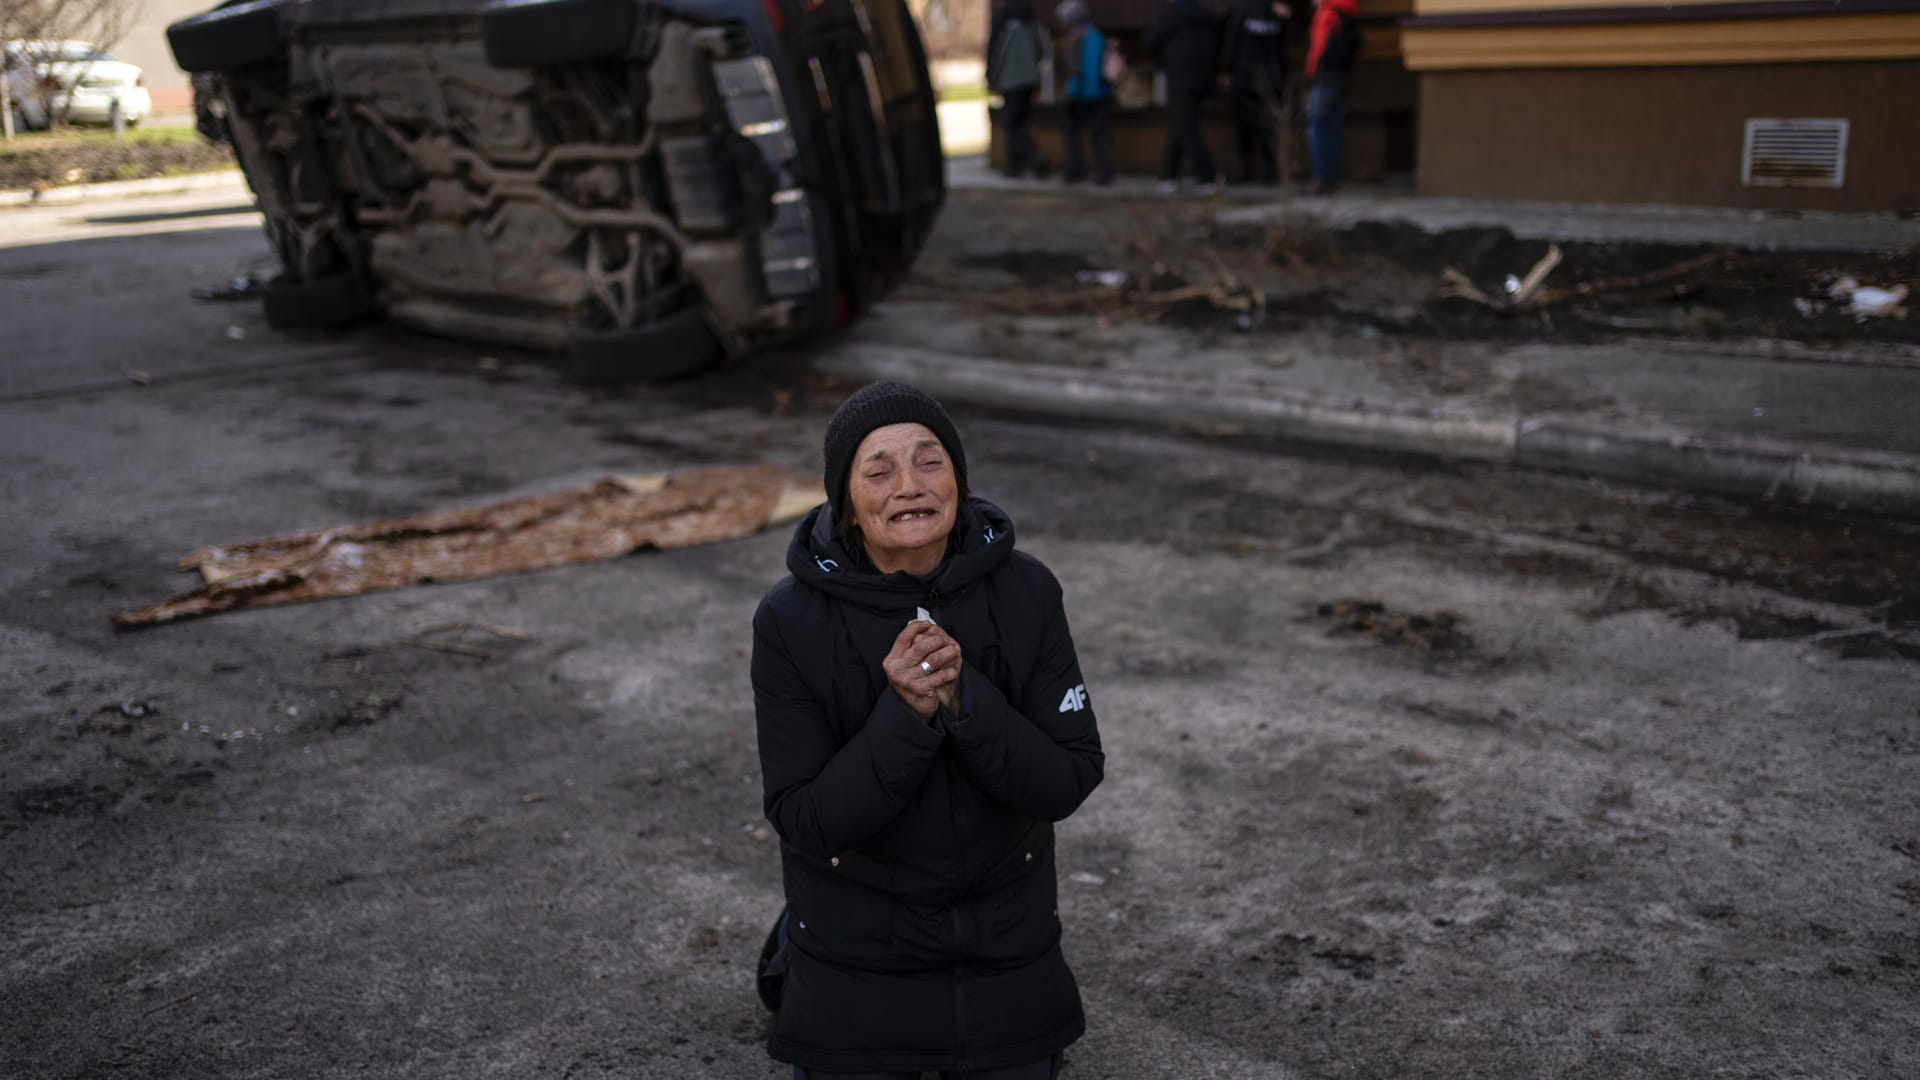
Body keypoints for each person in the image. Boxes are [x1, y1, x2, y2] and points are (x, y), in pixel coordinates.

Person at [752, 381, 1105, 1079]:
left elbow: (1067, 778)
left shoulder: (1028, 591)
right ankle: (793, 954)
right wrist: (907, 713)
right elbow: (805, 819)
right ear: (845, 502)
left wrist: (964, 697)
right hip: (857, 961)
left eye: (930, 461)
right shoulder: (790, 621)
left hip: (1006, 949)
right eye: (878, 470)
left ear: (961, 482)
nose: (909, 486)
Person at [1147, 0, 1223, 196]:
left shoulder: (1170, 13)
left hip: (1179, 76)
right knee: (1181, 123)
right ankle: (1168, 175)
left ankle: (1207, 176)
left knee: (1186, 126)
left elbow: (1150, 41)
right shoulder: (1207, 14)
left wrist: (1162, 61)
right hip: (1204, 77)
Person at [1219, 0, 1295, 186]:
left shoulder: (1279, 10)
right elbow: (1231, 39)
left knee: (1269, 128)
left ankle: (1270, 170)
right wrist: (1226, 69)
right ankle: (1246, 168)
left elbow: (1294, 39)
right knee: (1244, 127)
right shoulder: (1241, 9)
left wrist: (1288, 19)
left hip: (1272, 78)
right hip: (1245, 78)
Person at [987, 0, 1051, 179]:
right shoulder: (1031, 20)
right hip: (1029, 79)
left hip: (1010, 79)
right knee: (1020, 123)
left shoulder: (1002, 20)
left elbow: (995, 49)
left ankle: (1034, 156)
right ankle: (1013, 165)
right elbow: (1040, 51)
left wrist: (991, 75)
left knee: (1011, 125)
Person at [1055, 0, 1115, 186]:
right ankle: (1102, 172)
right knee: (1099, 136)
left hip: (1081, 93)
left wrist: (1071, 92)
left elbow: (1075, 69)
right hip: (1101, 93)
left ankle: (1074, 170)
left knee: (1071, 132)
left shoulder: (1075, 38)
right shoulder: (1096, 35)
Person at [1304, 0, 1361, 194]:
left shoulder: (1327, 16)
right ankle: (1333, 178)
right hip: (1343, 80)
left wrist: (1312, 73)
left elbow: (1319, 50)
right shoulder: (1348, 15)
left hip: (1325, 79)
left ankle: (1321, 179)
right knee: (1334, 128)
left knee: (1316, 128)